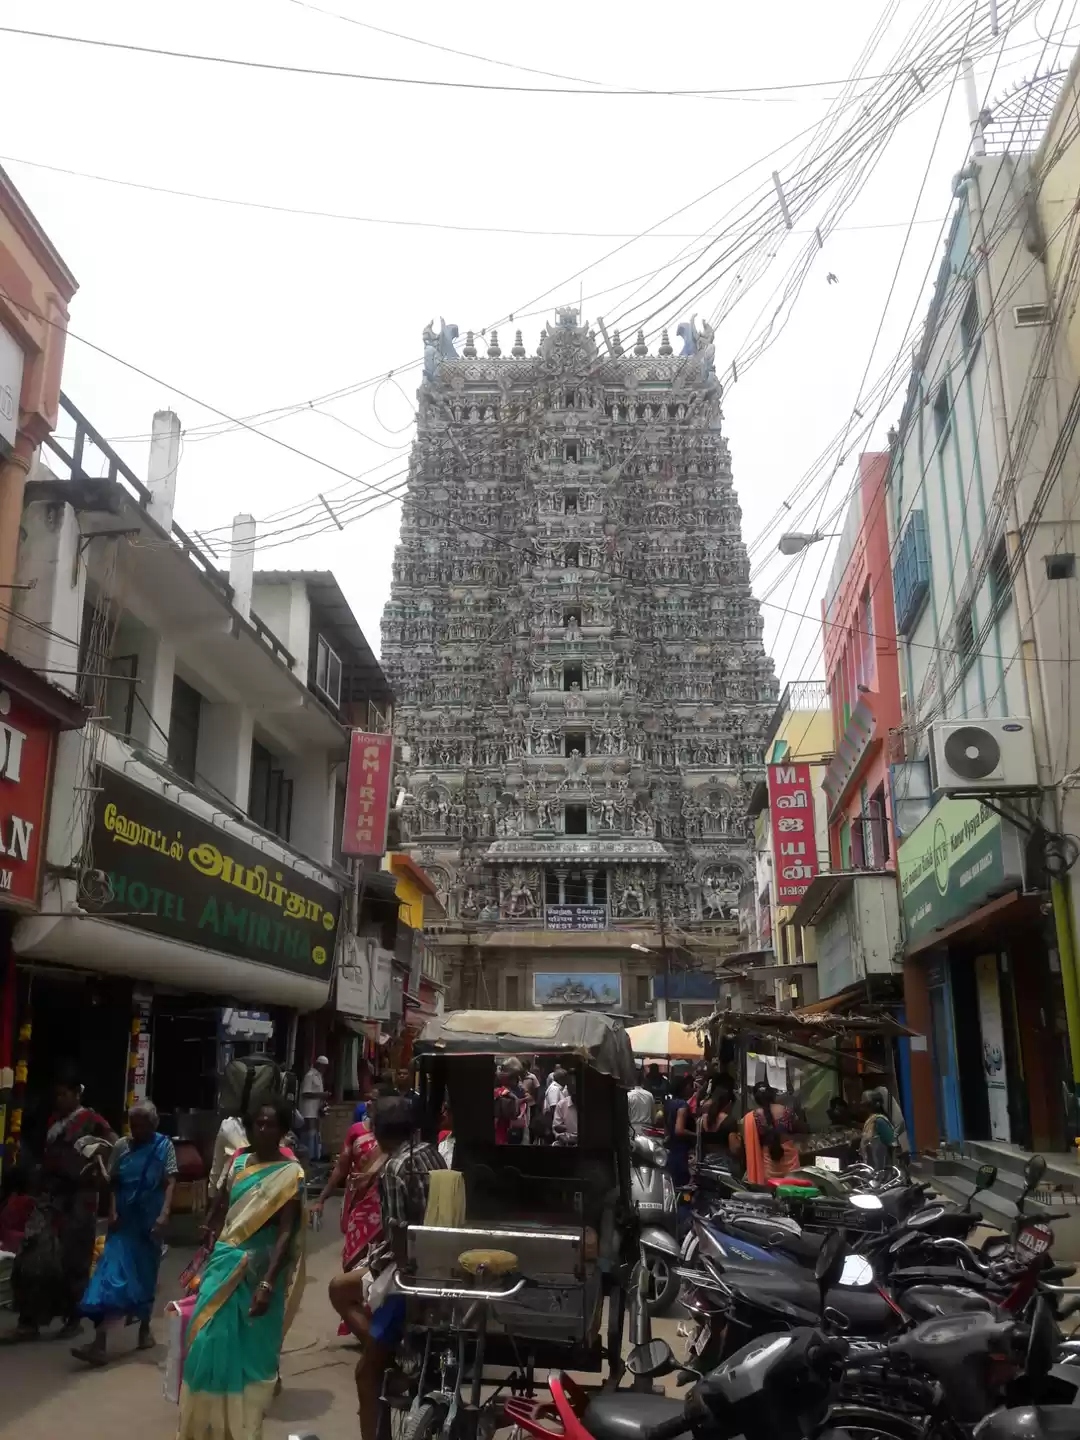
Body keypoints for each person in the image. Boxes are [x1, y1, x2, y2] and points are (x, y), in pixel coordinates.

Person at [177, 1098, 305, 1440]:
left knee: (251, 1353)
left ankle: (244, 1431)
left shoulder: (291, 1174)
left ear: (283, 1130)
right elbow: (224, 1200)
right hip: (224, 1261)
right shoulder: (240, 1162)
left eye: (271, 1124)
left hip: (259, 1270)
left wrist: (267, 1284)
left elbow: (286, 1232)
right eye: (258, 1124)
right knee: (205, 1342)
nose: (263, 1130)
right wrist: (210, 1225)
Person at [329, 1095, 445, 1440]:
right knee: (339, 1288)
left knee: (366, 1373)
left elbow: (397, 1234)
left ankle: (390, 1354)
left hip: (408, 1275)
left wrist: (381, 1265)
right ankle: (388, 1351)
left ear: (379, 1133)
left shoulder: (395, 1168)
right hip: (436, 1260)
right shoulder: (431, 1152)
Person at [6, 1071, 116, 1344]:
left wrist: (98, 1166)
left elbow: (115, 1144)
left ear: (76, 1094)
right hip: (50, 1196)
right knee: (32, 1252)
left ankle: (74, 1318)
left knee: (74, 1259)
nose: (59, 1099)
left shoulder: (91, 1120)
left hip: (80, 1198)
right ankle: (29, 1320)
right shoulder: (54, 1121)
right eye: (56, 1094)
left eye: (64, 1093)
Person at [71, 1099, 177, 1366]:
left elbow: (170, 1181)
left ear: (152, 1125)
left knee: (145, 1276)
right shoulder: (121, 1147)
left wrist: (165, 1214)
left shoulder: (165, 1146)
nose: (136, 1130)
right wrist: (113, 1211)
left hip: (150, 1221)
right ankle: (100, 1343)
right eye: (133, 1125)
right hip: (123, 1223)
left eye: (141, 1126)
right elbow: (115, 1183)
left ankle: (144, 1330)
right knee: (110, 1275)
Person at [311, 1101, 385, 1336]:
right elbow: (342, 1167)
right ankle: (357, 1319)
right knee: (353, 1262)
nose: (371, 1103)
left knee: (379, 1266)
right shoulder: (356, 1132)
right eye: (370, 1100)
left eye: (377, 1099)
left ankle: (377, 1322)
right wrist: (321, 1198)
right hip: (359, 1207)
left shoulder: (395, 1137)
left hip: (384, 1208)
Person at [743, 1081, 804, 1182]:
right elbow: (802, 1129)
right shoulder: (787, 1111)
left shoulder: (752, 1117)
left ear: (755, 1098)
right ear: (773, 1095)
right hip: (790, 1165)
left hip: (768, 1165)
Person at [695, 1080, 742, 1174]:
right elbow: (735, 1149)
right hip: (725, 1168)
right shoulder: (729, 1121)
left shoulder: (701, 1120)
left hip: (705, 1165)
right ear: (729, 1103)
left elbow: (699, 1144)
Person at [208, 1111, 249, 1201]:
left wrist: (211, 1192)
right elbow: (217, 1164)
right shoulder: (229, 1126)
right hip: (227, 1191)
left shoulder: (229, 1126)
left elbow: (217, 1164)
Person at [664, 1075, 695, 1187]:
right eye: (690, 1086)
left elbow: (666, 1131)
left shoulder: (668, 1104)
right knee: (683, 1187)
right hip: (681, 1153)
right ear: (684, 1088)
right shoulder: (683, 1105)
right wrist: (697, 1135)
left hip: (670, 1152)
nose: (692, 1089)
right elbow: (679, 1130)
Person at [300, 1055, 330, 1161]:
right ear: (318, 1065)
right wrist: (321, 1095)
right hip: (308, 1110)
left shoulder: (319, 1076)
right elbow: (305, 1093)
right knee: (309, 1133)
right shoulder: (310, 1075)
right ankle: (307, 1156)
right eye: (323, 1066)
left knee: (316, 1133)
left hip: (315, 1109)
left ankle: (315, 1156)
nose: (325, 1069)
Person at [859, 1099, 898, 1171]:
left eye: (864, 1105)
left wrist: (890, 1167)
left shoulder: (880, 1121)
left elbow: (892, 1144)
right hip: (872, 1165)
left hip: (881, 1167)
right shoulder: (870, 1121)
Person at [494, 1063, 526, 1146]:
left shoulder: (500, 1092)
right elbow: (514, 1112)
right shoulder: (504, 1093)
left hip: (502, 1128)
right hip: (501, 1129)